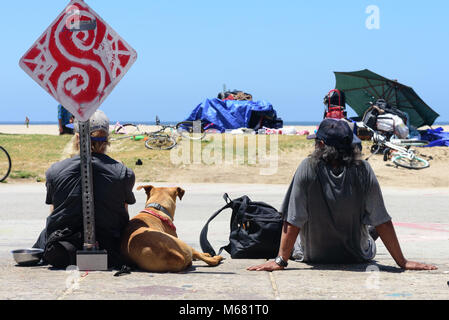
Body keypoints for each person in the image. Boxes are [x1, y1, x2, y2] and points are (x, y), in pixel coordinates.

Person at [248, 118, 437, 272]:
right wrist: (402, 262)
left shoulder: (307, 167)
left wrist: (280, 261)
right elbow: (382, 221)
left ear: (320, 144)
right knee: (372, 221)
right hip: (357, 255)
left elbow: (293, 219)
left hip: (314, 255)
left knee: (294, 220)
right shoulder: (363, 169)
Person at [33, 110, 136, 268]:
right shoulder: (123, 173)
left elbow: (54, 215)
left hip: (63, 252)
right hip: (110, 252)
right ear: (107, 140)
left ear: (77, 138)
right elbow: (123, 215)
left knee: (45, 233)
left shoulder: (54, 172)